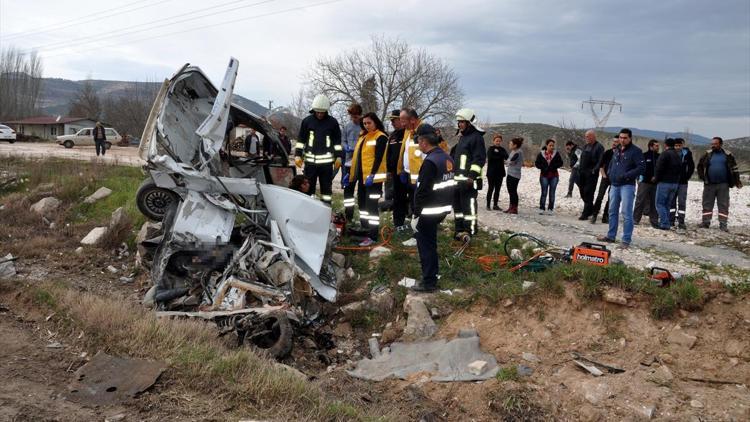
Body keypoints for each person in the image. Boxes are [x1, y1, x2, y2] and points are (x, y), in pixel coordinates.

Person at [411, 132, 455, 292]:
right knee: (431, 243)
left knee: (426, 246)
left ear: (424, 141)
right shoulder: (446, 157)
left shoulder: (430, 162)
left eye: (418, 142)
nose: (418, 145)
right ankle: (433, 275)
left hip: (428, 211)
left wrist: (415, 214)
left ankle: (429, 281)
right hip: (441, 209)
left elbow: (422, 191)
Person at [597, 128, 645, 249]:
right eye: (620, 137)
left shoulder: (636, 151)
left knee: (626, 213)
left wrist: (626, 175)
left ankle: (626, 240)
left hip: (627, 186)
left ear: (630, 138)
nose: (622, 140)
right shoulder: (617, 150)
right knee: (612, 211)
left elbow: (641, 168)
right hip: (614, 184)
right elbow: (612, 163)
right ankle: (611, 236)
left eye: (625, 138)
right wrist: (609, 173)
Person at [294, 94, 343, 205]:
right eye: (318, 112)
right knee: (308, 189)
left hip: (326, 165)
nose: (320, 114)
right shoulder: (307, 121)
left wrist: (338, 156)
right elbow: (301, 140)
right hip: (310, 164)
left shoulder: (332, 123)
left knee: (326, 190)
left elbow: (337, 142)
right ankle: (309, 210)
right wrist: (297, 155)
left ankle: (326, 210)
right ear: (314, 110)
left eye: (322, 112)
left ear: (326, 111)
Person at [350, 112, 388, 246]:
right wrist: (351, 173)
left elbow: (378, 158)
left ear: (375, 122)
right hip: (363, 178)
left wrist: (372, 174)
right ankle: (365, 229)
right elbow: (359, 157)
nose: (366, 125)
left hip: (374, 180)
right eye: (364, 123)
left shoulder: (381, 137)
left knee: (371, 208)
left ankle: (373, 236)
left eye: (369, 123)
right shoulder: (364, 136)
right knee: (362, 205)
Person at [396, 108, 436, 229]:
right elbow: (406, 151)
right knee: (414, 206)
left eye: (403, 121)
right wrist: (402, 169)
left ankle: (420, 233)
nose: (402, 124)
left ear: (413, 119)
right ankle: (416, 230)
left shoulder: (425, 131)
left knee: (420, 207)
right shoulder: (408, 131)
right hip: (409, 177)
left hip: (421, 178)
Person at [451, 108, 487, 239]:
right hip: (458, 181)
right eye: (458, 122)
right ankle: (459, 230)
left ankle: (470, 231)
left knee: (469, 208)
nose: (459, 124)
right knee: (458, 208)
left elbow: (479, 159)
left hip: (469, 181)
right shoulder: (463, 138)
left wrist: (471, 176)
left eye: (462, 122)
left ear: (469, 123)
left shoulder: (476, 138)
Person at [697, 136, 743, 232]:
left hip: (723, 185)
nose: (713, 145)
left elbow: (735, 169)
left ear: (721, 144)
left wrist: (737, 181)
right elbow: (700, 166)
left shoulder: (728, 155)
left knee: (723, 204)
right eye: (712, 144)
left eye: (715, 144)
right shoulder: (707, 154)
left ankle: (723, 224)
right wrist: (702, 177)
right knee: (707, 203)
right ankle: (705, 222)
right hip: (709, 184)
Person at [653, 138, 682, 230]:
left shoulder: (665, 154)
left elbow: (659, 168)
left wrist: (656, 179)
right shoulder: (677, 155)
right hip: (675, 183)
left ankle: (664, 223)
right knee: (667, 204)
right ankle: (666, 222)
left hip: (664, 182)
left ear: (665, 145)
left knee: (659, 204)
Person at [591, 135, 620, 224]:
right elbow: (601, 165)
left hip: (615, 179)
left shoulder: (621, 154)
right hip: (605, 177)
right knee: (600, 196)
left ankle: (605, 216)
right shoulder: (608, 152)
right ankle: (594, 215)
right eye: (613, 141)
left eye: (616, 142)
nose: (614, 143)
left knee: (611, 198)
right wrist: (603, 175)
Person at [341, 103, 363, 221]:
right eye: (351, 116)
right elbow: (343, 141)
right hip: (349, 163)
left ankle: (363, 218)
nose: (353, 119)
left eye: (355, 116)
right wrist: (346, 147)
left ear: (360, 115)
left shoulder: (365, 126)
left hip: (362, 164)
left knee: (362, 193)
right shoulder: (347, 127)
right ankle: (349, 216)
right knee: (348, 191)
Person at [578, 130, 605, 220]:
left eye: (588, 136)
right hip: (582, 172)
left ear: (593, 136)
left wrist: (594, 170)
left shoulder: (599, 147)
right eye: (586, 136)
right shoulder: (586, 146)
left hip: (591, 174)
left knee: (589, 193)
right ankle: (591, 209)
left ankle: (585, 213)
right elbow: (581, 158)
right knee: (582, 192)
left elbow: (600, 161)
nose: (586, 138)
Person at [385, 110, 406, 224]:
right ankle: (398, 223)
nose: (392, 123)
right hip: (395, 174)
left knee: (408, 199)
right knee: (397, 198)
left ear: (401, 120)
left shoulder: (408, 134)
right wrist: (388, 171)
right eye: (391, 120)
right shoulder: (392, 135)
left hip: (406, 173)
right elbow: (388, 155)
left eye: (394, 120)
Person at [633, 139, 660, 227]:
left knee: (654, 202)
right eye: (656, 146)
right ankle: (635, 219)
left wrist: (656, 177)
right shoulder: (644, 155)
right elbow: (640, 168)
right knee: (640, 201)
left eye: (658, 145)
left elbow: (661, 169)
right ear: (651, 146)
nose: (658, 147)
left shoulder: (660, 157)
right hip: (644, 182)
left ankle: (654, 221)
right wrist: (639, 177)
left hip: (655, 183)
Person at [669, 138, 694, 229]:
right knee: (671, 201)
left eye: (679, 145)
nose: (678, 147)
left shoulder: (687, 154)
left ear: (682, 145)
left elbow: (691, 166)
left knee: (682, 201)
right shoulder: (670, 153)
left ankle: (681, 221)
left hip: (683, 182)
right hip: (672, 182)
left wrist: (687, 176)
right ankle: (671, 220)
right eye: (676, 145)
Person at [534, 138, 564, 215]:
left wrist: (553, 166)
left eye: (553, 146)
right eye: (550, 145)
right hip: (544, 175)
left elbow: (560, 163)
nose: (552, 147)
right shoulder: (541, 154)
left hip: (554, 176)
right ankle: (542, 208)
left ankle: (550, 208)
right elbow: (537, 164)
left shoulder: (556, 154)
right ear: (547, 146)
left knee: (552, 192)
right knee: (544, 192)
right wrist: (544, 167)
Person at [485, 134, 508, 210]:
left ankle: (495, 205)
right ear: (493, 141)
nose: (498, 142)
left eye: (499, 141)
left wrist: (498, 153)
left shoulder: (502, 149)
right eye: (496, 141)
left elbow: (506, 156)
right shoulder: (490, 149)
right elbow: (491, 157)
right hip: (491, 172)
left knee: (497, 189)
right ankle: (488, 205)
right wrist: (499, 156)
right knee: (491, 188)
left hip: (500, 172)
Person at [504, 137, 524, 214]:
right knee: (510, 191)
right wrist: (507, 161)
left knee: (513, 191)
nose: (509, 144)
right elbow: (508, 161)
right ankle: (511, 206)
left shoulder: (518, 152)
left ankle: (514, 208)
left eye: (511, 144)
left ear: (515, 145)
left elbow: (511, 161)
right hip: (510, 173)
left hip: (515, 175)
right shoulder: (513, 151)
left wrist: (506, 162)